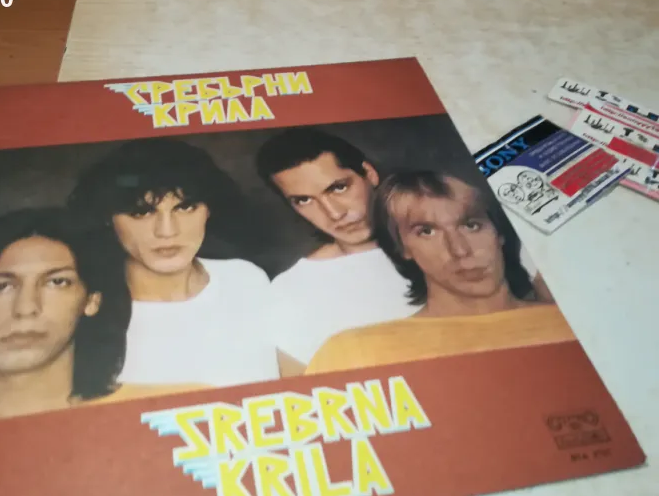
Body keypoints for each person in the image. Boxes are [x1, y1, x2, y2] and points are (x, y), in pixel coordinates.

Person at [255, 127, 554, 377]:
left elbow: (558, 328)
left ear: (369, 173)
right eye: (304, 200)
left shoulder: (472, 235)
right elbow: (305, 395)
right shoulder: (291, 288)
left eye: (339, 188)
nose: (334, 213)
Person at [306, 170, 577, 375]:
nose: (459, 250)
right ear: (401, 248)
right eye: (427, 231)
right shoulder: (351, 352)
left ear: (499, 233)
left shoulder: (572, 324)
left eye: (471, 225)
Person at [67, 137, 280, 389]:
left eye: (185, 207)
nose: (167, 231)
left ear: (209, 209)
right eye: (141, 212)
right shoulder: (86, 310)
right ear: (107, 218)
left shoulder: (246, 279)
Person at [0, 208, 135, 429]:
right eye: (0, 287)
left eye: (57, 282)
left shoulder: (131, 417)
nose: (26, 308)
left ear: (91, 302)